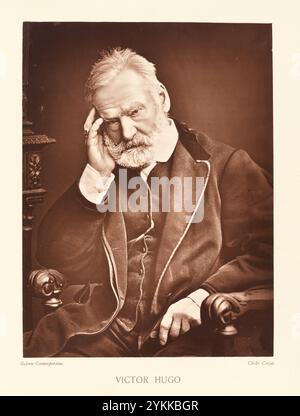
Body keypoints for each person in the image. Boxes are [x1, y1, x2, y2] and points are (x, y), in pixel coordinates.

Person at [23, 48, 273, 357]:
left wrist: (201, 297)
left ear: (163, 98)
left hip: (192, 335)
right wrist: (96, 173)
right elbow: (58, 257)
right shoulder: (108, 167)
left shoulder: (227, 166)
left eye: (135, 112)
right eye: (111, 121)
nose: (126, 132)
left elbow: (274, 252)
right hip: (102, 330)